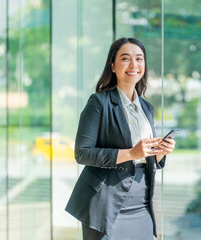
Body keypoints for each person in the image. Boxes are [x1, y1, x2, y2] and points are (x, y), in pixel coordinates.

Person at [65, 37, 176, 240]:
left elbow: (145, 158)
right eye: (126, 58)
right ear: (113, 65)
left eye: (139, 59)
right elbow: (82, 153)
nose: (134, 64)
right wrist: (131, 153)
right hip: (106, 205)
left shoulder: (147, 107)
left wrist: (159, 153)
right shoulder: (98, 102)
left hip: (142, 204)